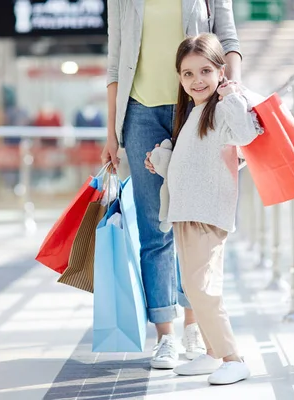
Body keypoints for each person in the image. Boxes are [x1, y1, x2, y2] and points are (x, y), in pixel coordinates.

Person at [102, 0, 243, 369]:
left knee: (191, 219)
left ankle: (195, 328)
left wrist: (233, 92)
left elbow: (228, 39)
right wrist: (111, 134)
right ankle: (165, 335)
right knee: (154, 226)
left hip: (197, 105)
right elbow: (116, 62)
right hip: (140, 112)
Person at [146, 33, 259, 385]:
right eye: (188, 74)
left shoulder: (224, 107)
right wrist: (162, 162)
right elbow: (193, 163)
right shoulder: (194, 114)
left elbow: (247, 136)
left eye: (205, 71)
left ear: (221, 71)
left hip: (207, 212)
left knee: (202, 288)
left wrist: (232, 97)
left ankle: (233, 357)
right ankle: (212, 354)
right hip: (186, 211)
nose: (197, 80)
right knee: (195, 287)